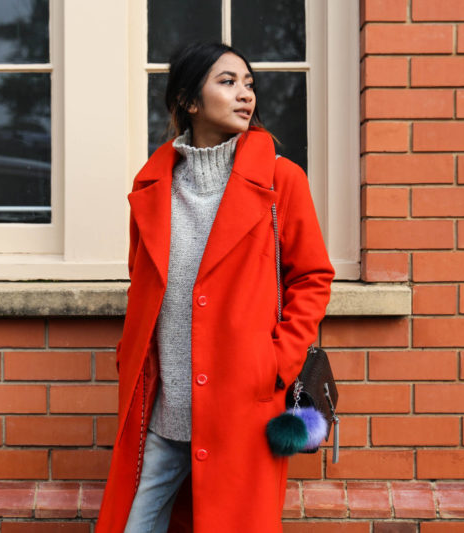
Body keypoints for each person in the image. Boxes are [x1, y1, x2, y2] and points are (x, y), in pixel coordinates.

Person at [95, 42, 334, 533]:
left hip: (241, 402)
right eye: (227, 82)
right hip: (164, 405)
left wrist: (277, 361)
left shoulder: (280, 181)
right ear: (188, 100)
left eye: (248, 83)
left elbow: (312, 277)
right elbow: (142, 284)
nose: (245, 94)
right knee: (134, 522)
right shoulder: (152, 187)